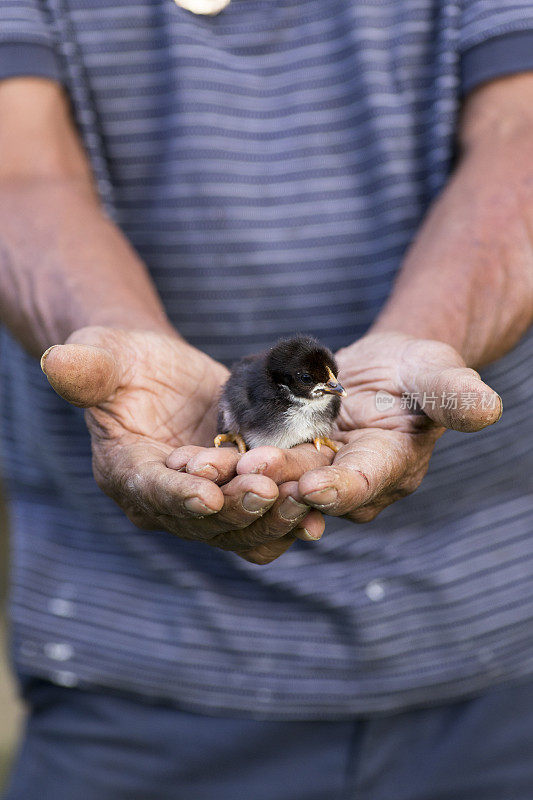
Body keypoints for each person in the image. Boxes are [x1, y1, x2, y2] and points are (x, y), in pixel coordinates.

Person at [1, 1, 533, 797]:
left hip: (493, 639)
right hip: (140, 657)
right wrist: (105, 330)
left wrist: (430, 338)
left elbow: (518, 135)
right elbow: (18, 166)